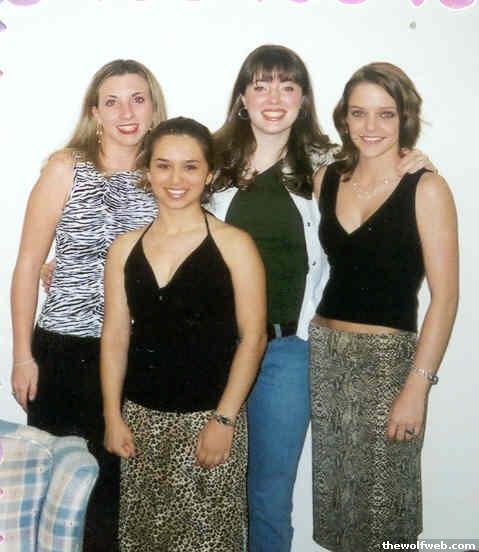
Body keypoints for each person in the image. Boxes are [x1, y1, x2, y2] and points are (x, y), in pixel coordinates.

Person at [210, 45, 435, 552]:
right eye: (261, 85)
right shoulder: (211, 162)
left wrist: (415, 158)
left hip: (288, 354)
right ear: (242, 97)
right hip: (216, 350)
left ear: (304, 100)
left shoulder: (326, 166)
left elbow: (383, 173)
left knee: (269, 496)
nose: (274, 98)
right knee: (215, 487)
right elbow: (162, 220)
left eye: (287, 87)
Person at [10, 59, 165, 551]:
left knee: (114, 499)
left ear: (153, 107)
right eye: (112, 102)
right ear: (95, 113)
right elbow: (27, 265)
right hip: (62, 351)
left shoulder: (164, 175)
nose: (126, 113)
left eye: (137, 99)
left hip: (133, 356)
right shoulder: (66, 169)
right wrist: (22, 356)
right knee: (56, 496)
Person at [309, 62, 458, 551]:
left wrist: (417, 388)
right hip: (327, 356)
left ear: (403, 118)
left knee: (386, 514)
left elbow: (445, 299)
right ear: (344, 118)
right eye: (359, 113)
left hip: (389, 364)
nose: (370, 126)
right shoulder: (327, 179)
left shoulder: (426, 187)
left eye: (385, 114)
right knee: (338, 508)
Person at [100, 116, 266, 551]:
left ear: (209, 174)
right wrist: (113, 416)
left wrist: (224, 420)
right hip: (141, 423)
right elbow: (114, 336)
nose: (176, 179)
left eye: (190, 167)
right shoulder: (123, 249)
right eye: (164, 165)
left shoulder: (235, 244)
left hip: (208, 422)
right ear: (147, 171)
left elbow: (254, 338)